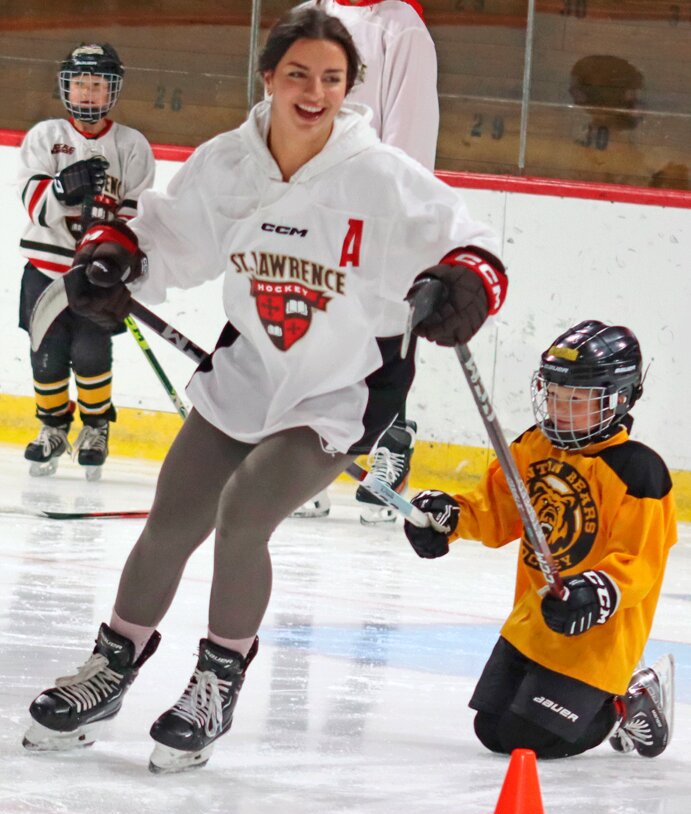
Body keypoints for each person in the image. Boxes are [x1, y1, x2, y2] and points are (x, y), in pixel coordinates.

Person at [22, 7, 507, 774]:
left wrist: (464, 285)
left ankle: (216, 680)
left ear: (350, 88)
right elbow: (165, 235)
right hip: (252, 366)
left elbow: (468, 246)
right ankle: (113, 665)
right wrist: (115, 257)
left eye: (332, 79)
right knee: (173, 517)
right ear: (270, 78)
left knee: (244, 513)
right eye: (298, 75)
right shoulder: (231, 163)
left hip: (344, 383)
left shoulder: (378, 174)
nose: (314, 92)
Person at [404, 320, 677, 759]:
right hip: (534, 624)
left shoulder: (638, 471)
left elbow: (640, 563)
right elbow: (494, 511)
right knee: (491, 730)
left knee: (529, 740)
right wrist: (448, 519)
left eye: (575, 399)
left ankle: (628, 698)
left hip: (595, 641)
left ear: (618, 400)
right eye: (553, 395)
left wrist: (596, 591)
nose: (559, 409)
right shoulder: (534, 445)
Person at [293, 0, 440, 523]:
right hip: (312, 206)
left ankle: (391, 443)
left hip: (373, 213)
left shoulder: (401, 27)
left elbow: (412, 133)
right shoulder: (309, 12)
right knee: (308, 334)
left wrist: (395, 213)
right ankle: (302, 461)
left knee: (380, 337)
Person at [18, 43, 155, 479]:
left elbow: (140, 215)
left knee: (92, 352)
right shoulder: (44, 137)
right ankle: (52, 428)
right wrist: (60, 191)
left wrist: (110, 247)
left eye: (98, 85)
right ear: (66, 87)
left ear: (112, 90)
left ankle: (96, 429)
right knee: (48, 355)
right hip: (45, 271)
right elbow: (32, 203)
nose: (89, 94)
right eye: (81, 84)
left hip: (96, 276)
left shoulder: (131, 145)